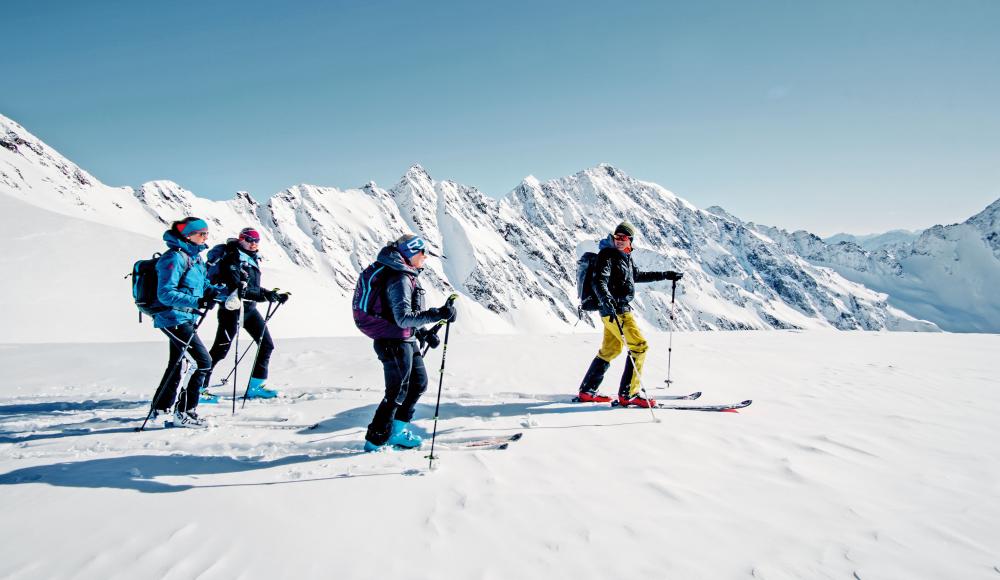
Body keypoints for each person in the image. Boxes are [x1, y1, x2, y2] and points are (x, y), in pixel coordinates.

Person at [358, 234, 456, 452]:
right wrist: (437, 314)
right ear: (412, 252)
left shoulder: (406, 273)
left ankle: (396, 432)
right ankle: (375, 440)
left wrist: (422, 333)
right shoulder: (400, 277)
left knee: (418, 383)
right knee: (396, 392)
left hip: (404, 338)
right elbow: (403, 317)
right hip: (392, 341)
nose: (425, 257)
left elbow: (404, 315)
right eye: (423, 253)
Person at [577, 221, 683, 407]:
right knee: (639, 347)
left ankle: (587, 391)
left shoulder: (624, 257)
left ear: (630, 240)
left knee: (611, 349)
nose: (619, 240)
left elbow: (637, 276)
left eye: (623, 238)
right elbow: (599, 281)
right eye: (617, 237)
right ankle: (629, 394)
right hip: (617, 311)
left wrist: (666, 274)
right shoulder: (608, 255)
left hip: (611, 311)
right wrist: (606, 300)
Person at [149, 217, 227, 427]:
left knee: (179, 362)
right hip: (173, 318)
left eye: (207, 233)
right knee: (203, 362)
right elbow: (165, 293)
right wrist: (198, 301)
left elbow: (204, 286)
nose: (205, 237)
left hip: (186, 317)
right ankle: (184, 412)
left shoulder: (195, 259)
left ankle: (161, 407)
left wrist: (222, 294)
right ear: (187, 235)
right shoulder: (173, 258)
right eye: (202, 233)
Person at [206, 227, 289, 401]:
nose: (253, 243)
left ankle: (256, 386)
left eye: (256, 240)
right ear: (241, 239)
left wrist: (271, 294)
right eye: (249, 239)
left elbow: (251, 287)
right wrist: (266, 296)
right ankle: (197, 388)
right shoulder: (232, 258)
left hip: (249, 309)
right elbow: (237, 288)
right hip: (232, 310)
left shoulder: (250, 258)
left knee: (266, 344)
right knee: (220, 350)